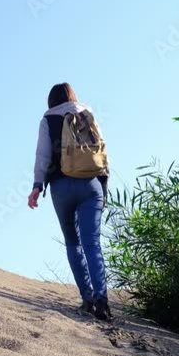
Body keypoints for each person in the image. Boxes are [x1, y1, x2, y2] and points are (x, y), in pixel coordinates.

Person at [27, 83, 112, 321]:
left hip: (61, 186)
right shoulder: (87, 114)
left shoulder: (48, 119)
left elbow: (42, 155)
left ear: (51, 100)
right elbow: (103, 153)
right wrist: (103, 188)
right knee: (92, 243)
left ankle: (87, 300)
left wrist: (37, 186)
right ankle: (102, 301)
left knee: (73, 243)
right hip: (91, 184)